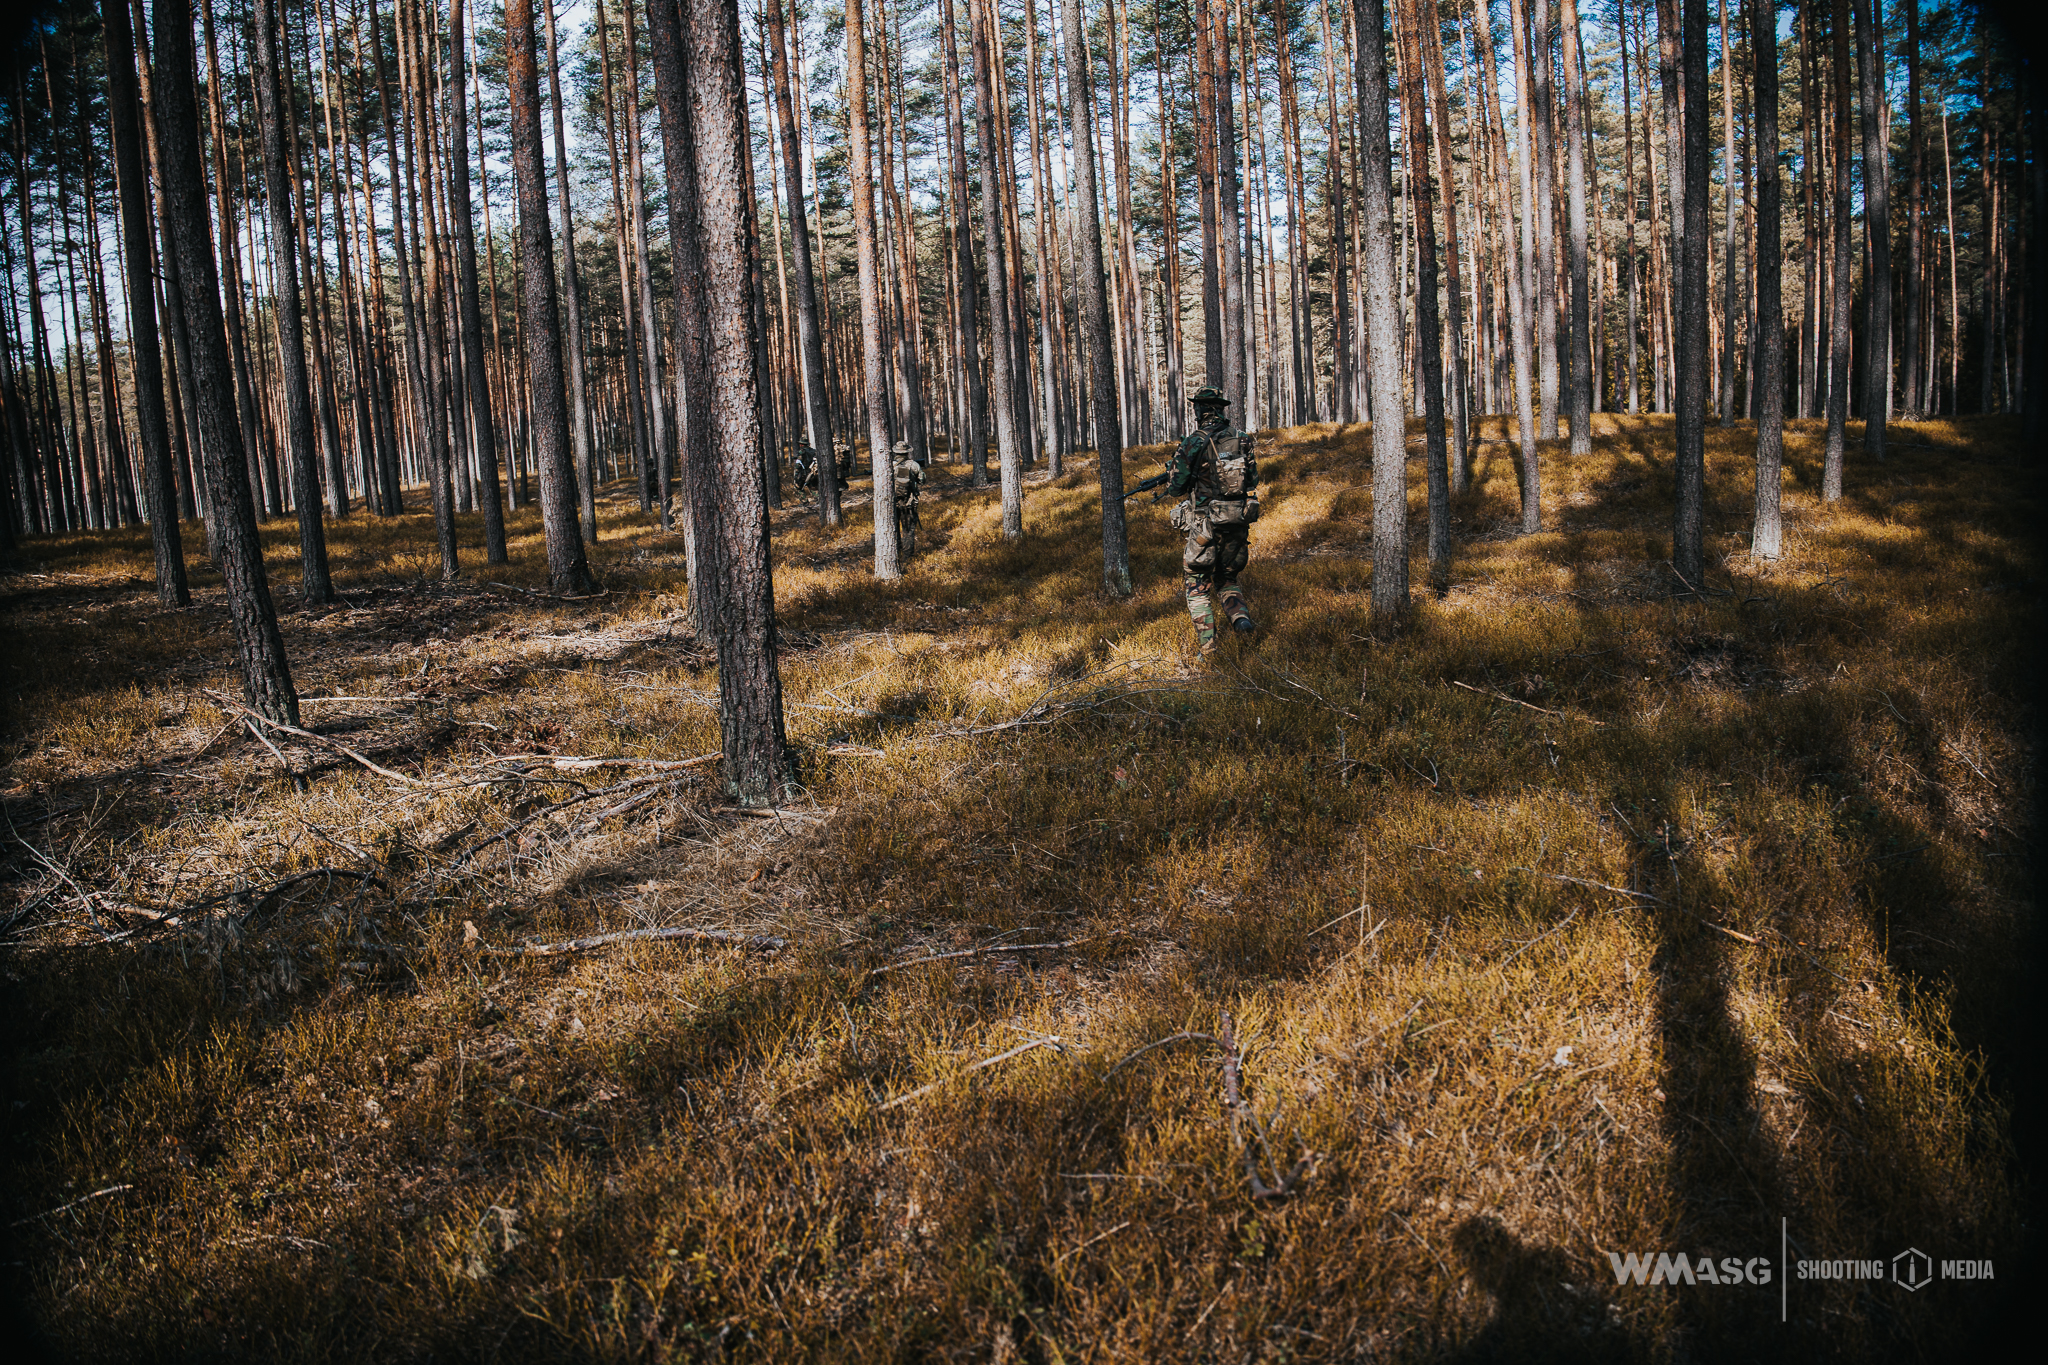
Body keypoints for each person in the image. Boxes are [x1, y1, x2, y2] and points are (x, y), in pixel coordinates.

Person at [1164, 386, 1259, 656]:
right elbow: (1253, 480)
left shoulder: (1194, 441)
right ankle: (1242, 622)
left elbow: (1176, 488)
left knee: (1197, 585)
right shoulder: (1243, 439)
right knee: (1227, 579)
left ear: (1200, 410)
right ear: (1220, 410)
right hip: (1237, 522)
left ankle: (1209, 648)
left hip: (1204, 527)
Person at [890, 439, 923, 556]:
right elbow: (922, 480)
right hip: (909, 503)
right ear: (907, 452)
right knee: (908, 530)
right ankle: (908, 556)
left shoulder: (889, 465)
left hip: (893, 503)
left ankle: (895, 552)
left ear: (896, 452)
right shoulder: (914, 465)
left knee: (893, 528)